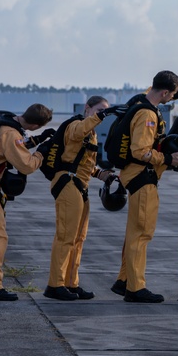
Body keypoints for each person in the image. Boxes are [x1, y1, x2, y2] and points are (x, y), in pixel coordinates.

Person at [112, 71, 178, 303]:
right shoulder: (147, 114)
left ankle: (124, 280)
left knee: (133, 232)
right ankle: (136, 288)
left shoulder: (141, 102)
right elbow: (141, 151)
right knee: (141, 234)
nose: (171, 98)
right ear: (165, 92)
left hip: (134, 176)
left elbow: (155, 92)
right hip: (142, 178)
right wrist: (167, 159)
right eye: (172, 94)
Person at [0, 104, 54, 301]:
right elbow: (27, 164)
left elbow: (9, 149)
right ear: (34, 124)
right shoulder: (10, 133)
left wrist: (37, 140)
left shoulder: (4, 123)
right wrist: (42, 152)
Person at [43, 96, 124, 301]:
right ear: (87, 108)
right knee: (66, 236)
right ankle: (55, 284)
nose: (102, 114)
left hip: (80, 185)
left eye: (105, 111)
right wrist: (100, 116)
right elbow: (79, 132)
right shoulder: (76, 125)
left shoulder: (92, 133)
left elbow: (83, 162)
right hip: (67, 183)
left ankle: (71, 282)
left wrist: (101, 174)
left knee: (78, 238)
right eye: (99, 110)